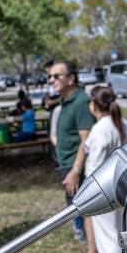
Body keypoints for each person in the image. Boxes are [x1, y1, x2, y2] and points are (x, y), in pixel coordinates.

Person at [80, 86, 127, 253]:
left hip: (102, 190)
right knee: (122, 233)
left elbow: (92, 165)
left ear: (93, 105)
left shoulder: (101, 128)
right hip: (123, 186)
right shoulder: (125, 124)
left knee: (107, 235)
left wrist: (87, 191)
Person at [49, 61, 95, 242]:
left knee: (85, 210)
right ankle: (88, 249)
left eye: (56, 76)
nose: (51, 80)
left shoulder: (80, 101)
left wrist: (75, 171)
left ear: (71, 79)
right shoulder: (65, 100)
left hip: (77, 168)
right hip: (66, 164)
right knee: (75, 208)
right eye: (50, 77)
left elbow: (86, 140)